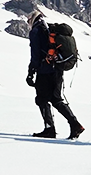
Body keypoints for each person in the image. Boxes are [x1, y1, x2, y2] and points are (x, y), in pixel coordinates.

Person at [25, 10, 84, 139]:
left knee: (42, 99)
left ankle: (49, 129)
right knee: (56, 99)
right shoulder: (49, 30)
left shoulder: (36, 31)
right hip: (57, 69)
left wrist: (31, 72)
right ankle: (75, 125)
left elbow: (35, 54)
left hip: (45, 71)